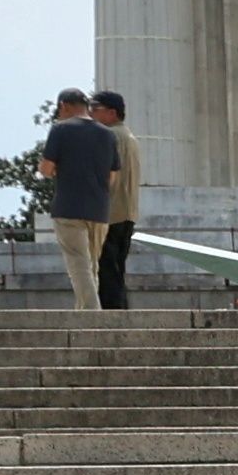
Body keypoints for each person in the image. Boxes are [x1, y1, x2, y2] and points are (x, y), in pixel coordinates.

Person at [29, 87, 115, 312]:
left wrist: (54, 170)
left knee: (78, 263)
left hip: (69, 207)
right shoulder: (107, 134)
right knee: (91, 265)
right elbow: (112, 176)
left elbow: (47, 169)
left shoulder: (60, 130)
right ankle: (82, 312)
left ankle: (91, 312)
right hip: (100, 209)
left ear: (63, 106)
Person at [88, 90, 136, 310]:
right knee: (117, 269)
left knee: (106, 270)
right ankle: (120, 312)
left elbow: (105, 176)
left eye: (95, 110)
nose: (91, 114)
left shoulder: (110, 137)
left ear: (111, 113)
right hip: (127, 211)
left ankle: (112, 316)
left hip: (110, 212)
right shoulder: (129, 136)